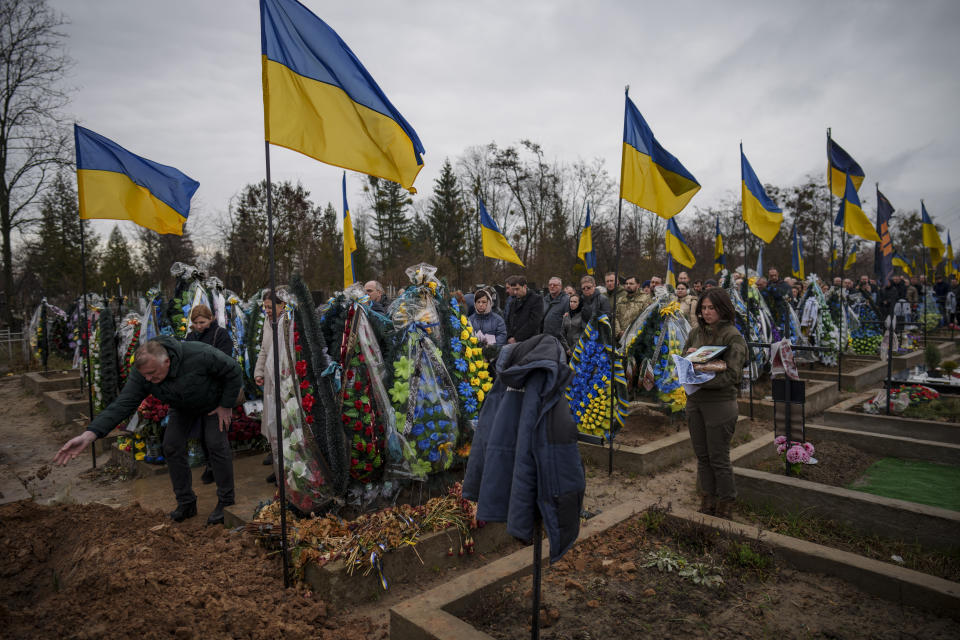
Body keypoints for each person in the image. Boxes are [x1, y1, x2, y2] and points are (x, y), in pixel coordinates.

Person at [54, 337, 242, 525]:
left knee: (215, 444)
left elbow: (233, 369)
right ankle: (186, 503)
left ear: (166, 361)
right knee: (171, 446)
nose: (149, 380)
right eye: (145, 376)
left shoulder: (200, 354)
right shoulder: (143, 374)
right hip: (182, 406)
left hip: (214, 403)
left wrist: (226, 404)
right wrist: (89, 435)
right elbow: (123, 404)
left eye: (152, 374)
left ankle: (226, 502)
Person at [683, 288, 747, 519]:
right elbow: (684, 361)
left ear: (723, 308)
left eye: (712, 308)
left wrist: (703, 373)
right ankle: (707, 498)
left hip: (720, 404)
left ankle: (726, 502)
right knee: (702, 456)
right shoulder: (694, 333)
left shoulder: (732, 336)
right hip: (695, 401)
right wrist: (689, 361)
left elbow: (733, 374)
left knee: (718, 457)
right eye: (703, 308)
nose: (707, 312)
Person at [185, 304, 235, 485]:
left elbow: (225, 359)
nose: (199, 326)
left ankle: (219, 467)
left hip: (216, 392)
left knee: (216, 435)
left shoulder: (219, 334)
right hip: (199, 393)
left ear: (211, 319)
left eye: (202, 322)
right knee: (201, 434)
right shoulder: (190, 337)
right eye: (196, 323)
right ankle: (209, 464)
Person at [254, 290, 285, 485]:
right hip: (270, 380)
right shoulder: (268, 322)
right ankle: (277, 466)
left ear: (282, 305)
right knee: (273, 424)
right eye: (264, 307)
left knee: (285, 425)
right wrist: (259, 371)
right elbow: (264, 349)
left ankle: (286, 468)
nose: (267, 311)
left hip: (284, 380)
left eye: (270, 307)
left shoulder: (288, 322)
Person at [504, 275, 543, 344]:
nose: (515, 292)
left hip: (529, 341)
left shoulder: (536, 299)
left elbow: (534, 322)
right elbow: (508, 321)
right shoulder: (513, 302)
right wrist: (509, 336)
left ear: (524, 286)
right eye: (513, 289)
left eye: (517, 289)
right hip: (513, 341)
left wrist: (516, 338)